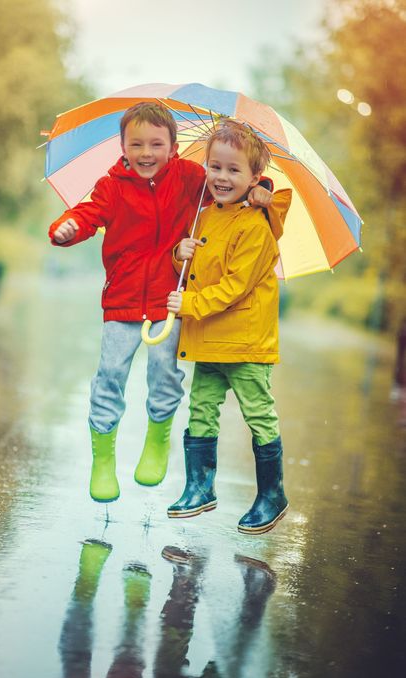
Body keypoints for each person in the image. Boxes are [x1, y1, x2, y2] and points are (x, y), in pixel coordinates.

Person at [49, 103, 274, 504]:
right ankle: (103, 460)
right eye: (137, 144)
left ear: (174, 147)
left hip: (169, 301)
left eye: (157, 144)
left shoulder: (191, 179)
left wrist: (264, 191)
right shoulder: (112, 186)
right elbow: (88, 213)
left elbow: (230, 189)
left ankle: (157, 439)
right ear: (122, 146)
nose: (147, 152)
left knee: (164, 374)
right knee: (110, 375)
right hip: (122, 299)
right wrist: (67, 228)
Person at [166, 119, 292, 534]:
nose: (221, 177)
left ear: (256, 178)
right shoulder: (204, 217)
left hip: (245, 341)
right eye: (215, 167)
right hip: (208, 339)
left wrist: (190, 305)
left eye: (234, 170)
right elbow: (196, 271)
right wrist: (178, 253)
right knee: (201, 408)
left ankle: (272, 495)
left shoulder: (257, 225)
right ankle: (200, 487)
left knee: (258, 414)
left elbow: (236, 287)